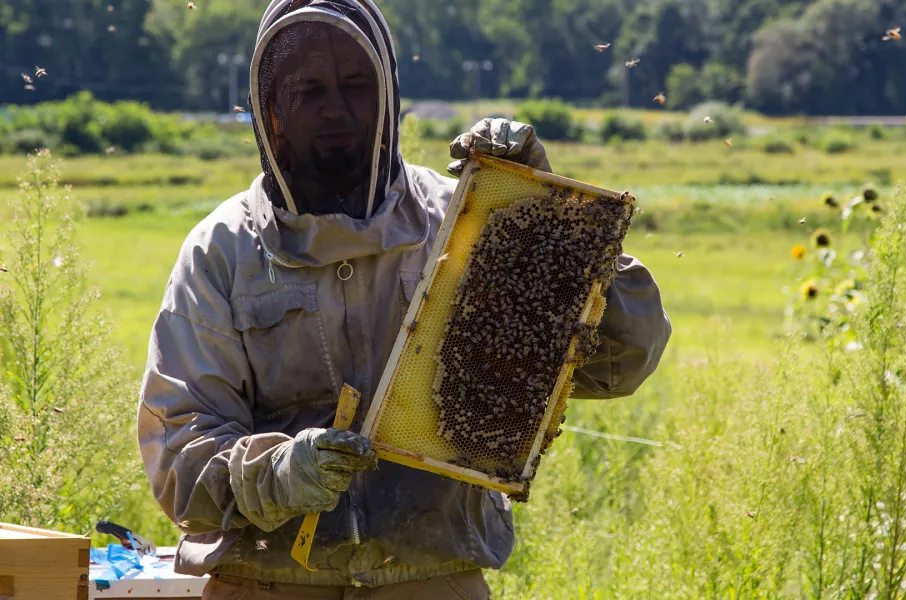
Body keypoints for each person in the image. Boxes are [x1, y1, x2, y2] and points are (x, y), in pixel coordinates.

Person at [136, 1, 671, 598]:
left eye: (356, 86)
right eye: (310, 89)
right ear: (273, 111)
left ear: (388, 97)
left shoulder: (462, 220)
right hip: (267, 580)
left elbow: (623, 361)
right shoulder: (224, 250)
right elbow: (177, 447)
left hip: (432, 578)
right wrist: (277, 475)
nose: (335, 108)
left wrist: (547, 218)